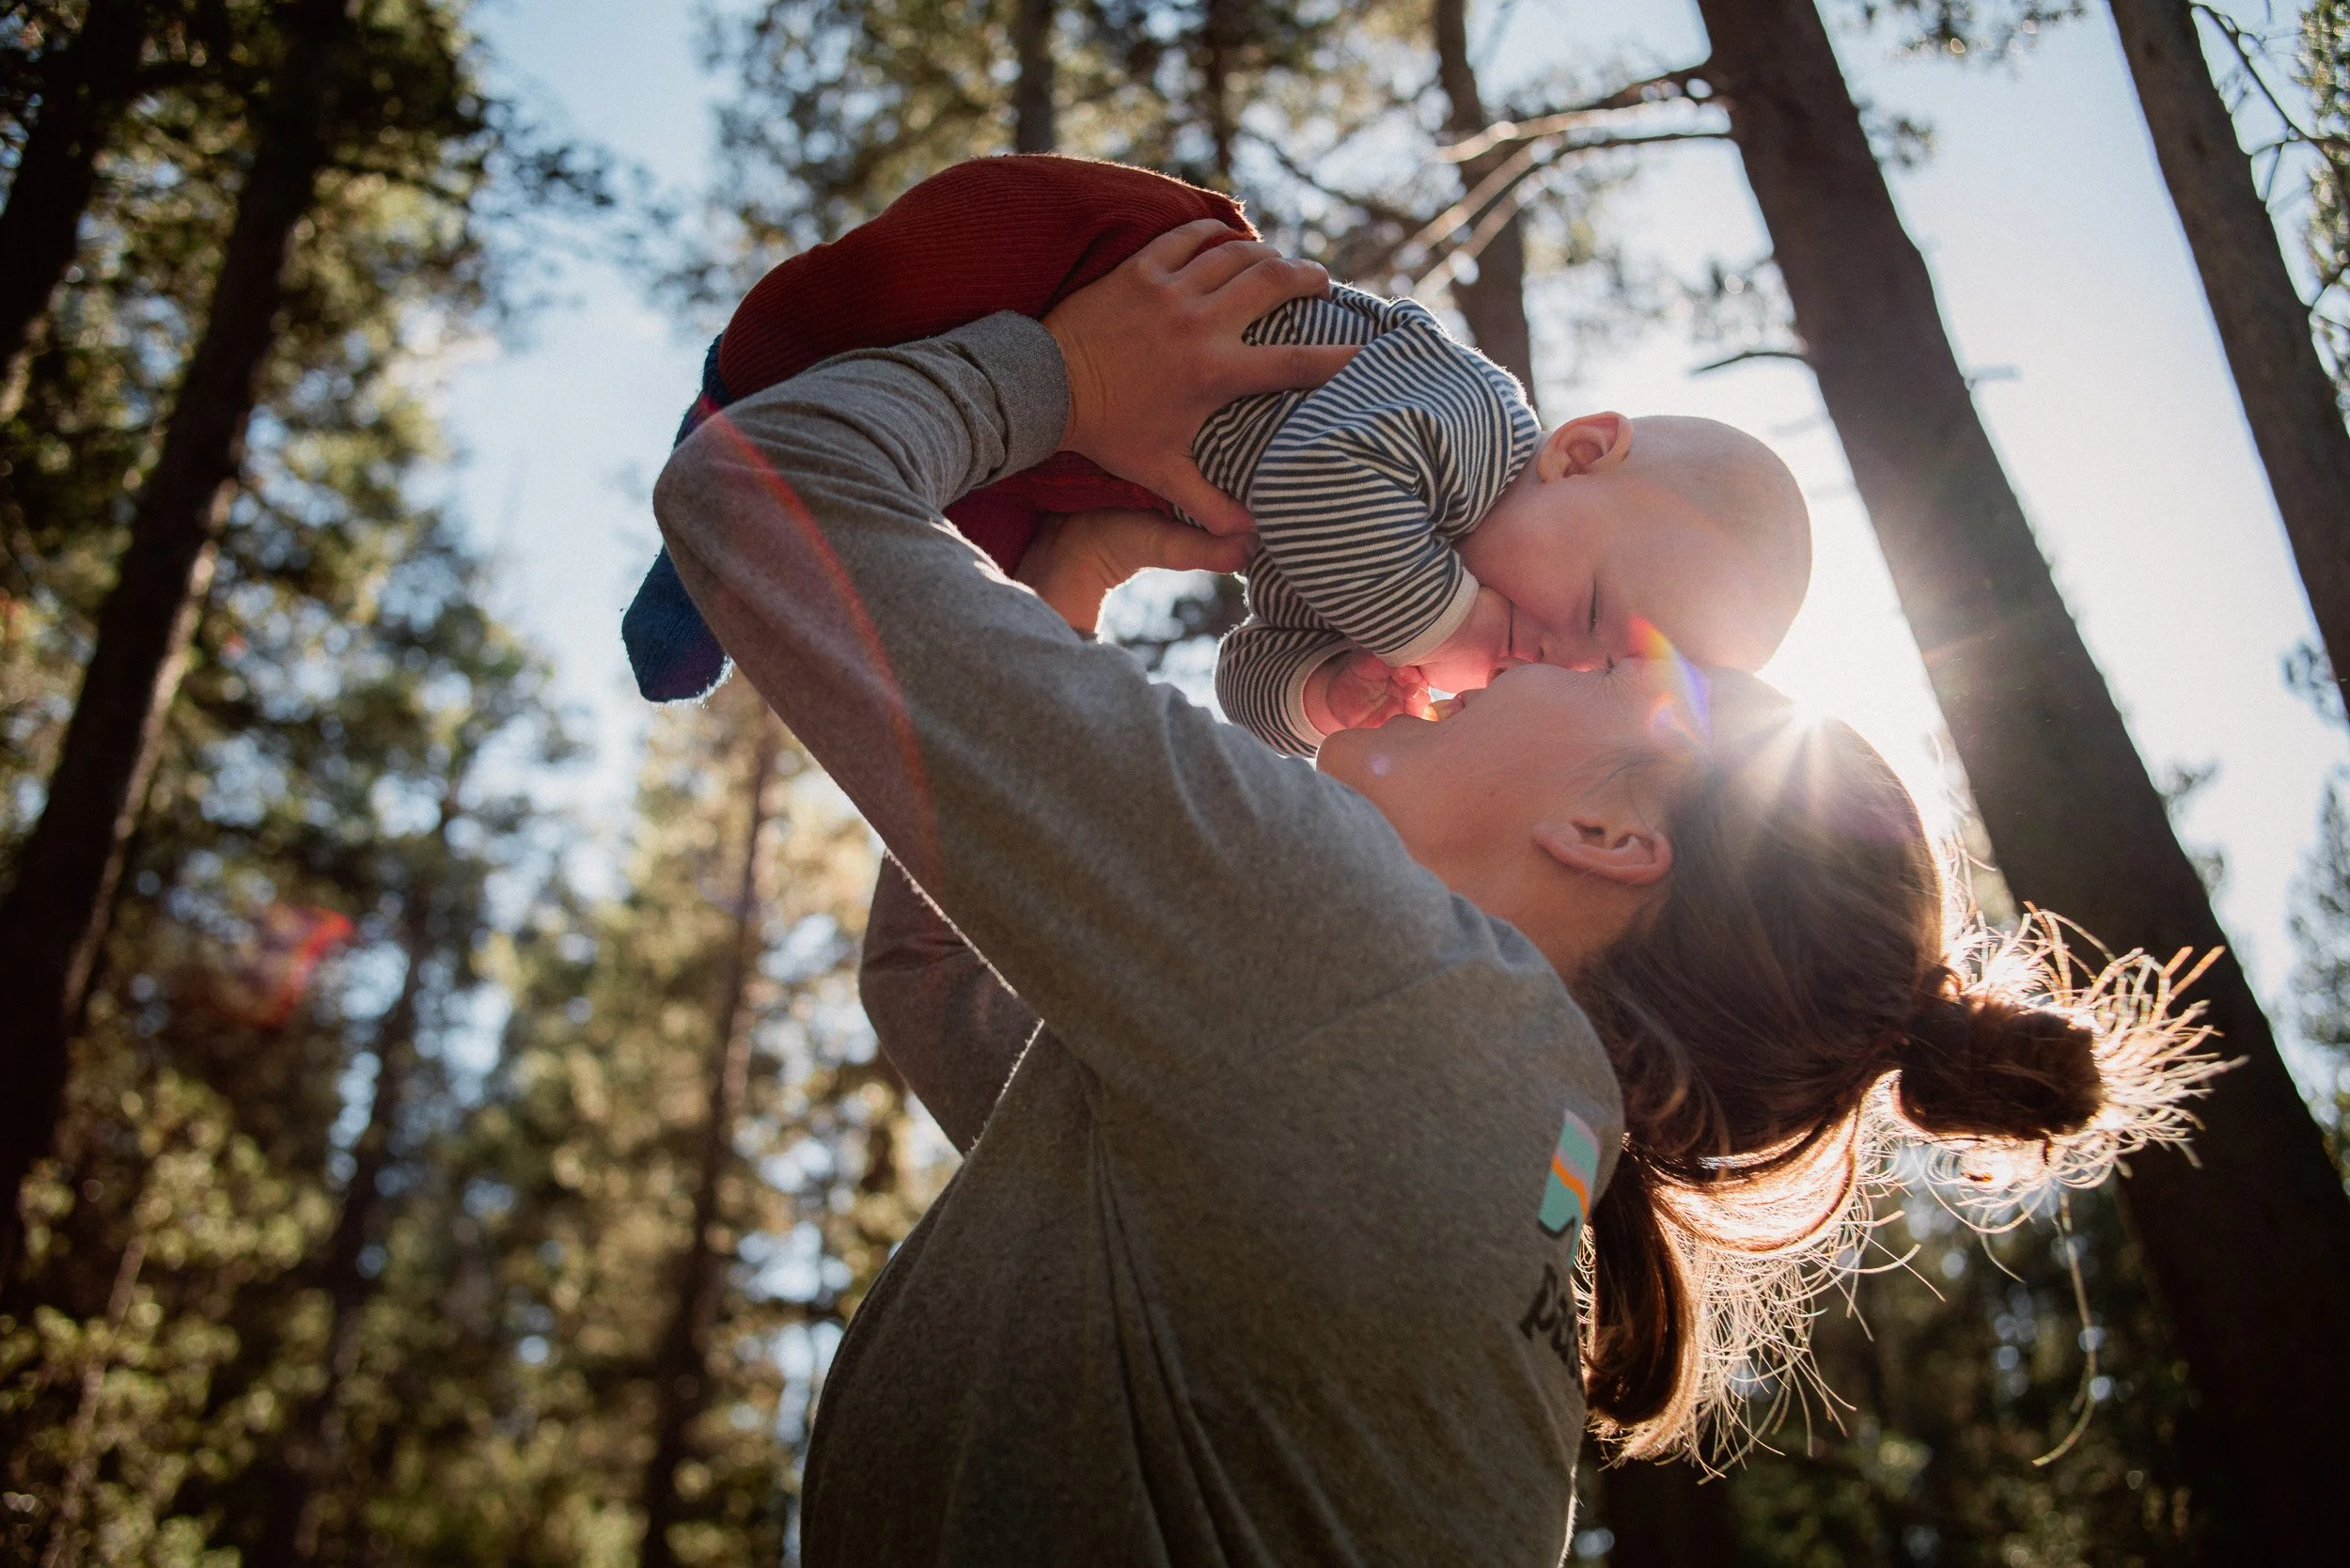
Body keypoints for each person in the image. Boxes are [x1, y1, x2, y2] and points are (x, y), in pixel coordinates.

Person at [651, 222, 2213, 1564]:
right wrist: (1065, 570)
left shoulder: (1379, 986)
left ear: (1618, 832)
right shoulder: (1503, 1133)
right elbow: (948, 997)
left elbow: (761, 486)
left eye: (1600, 660)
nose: (1512, 635)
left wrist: (1062, 374)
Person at [625, 155, 1811, 755]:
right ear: (1582, 453)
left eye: (1602, 670)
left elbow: (1249, 673)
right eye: (1596, 604)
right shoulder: (1474, 425)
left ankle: (722, 559)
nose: (1554, 649)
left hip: (1082, 458)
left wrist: (1320, 696)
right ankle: (747, 391)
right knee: (914, 280)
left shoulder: (1394, 590)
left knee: (927, 562)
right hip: (1121, 284)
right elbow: (1315, 477)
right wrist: (1451, 633)